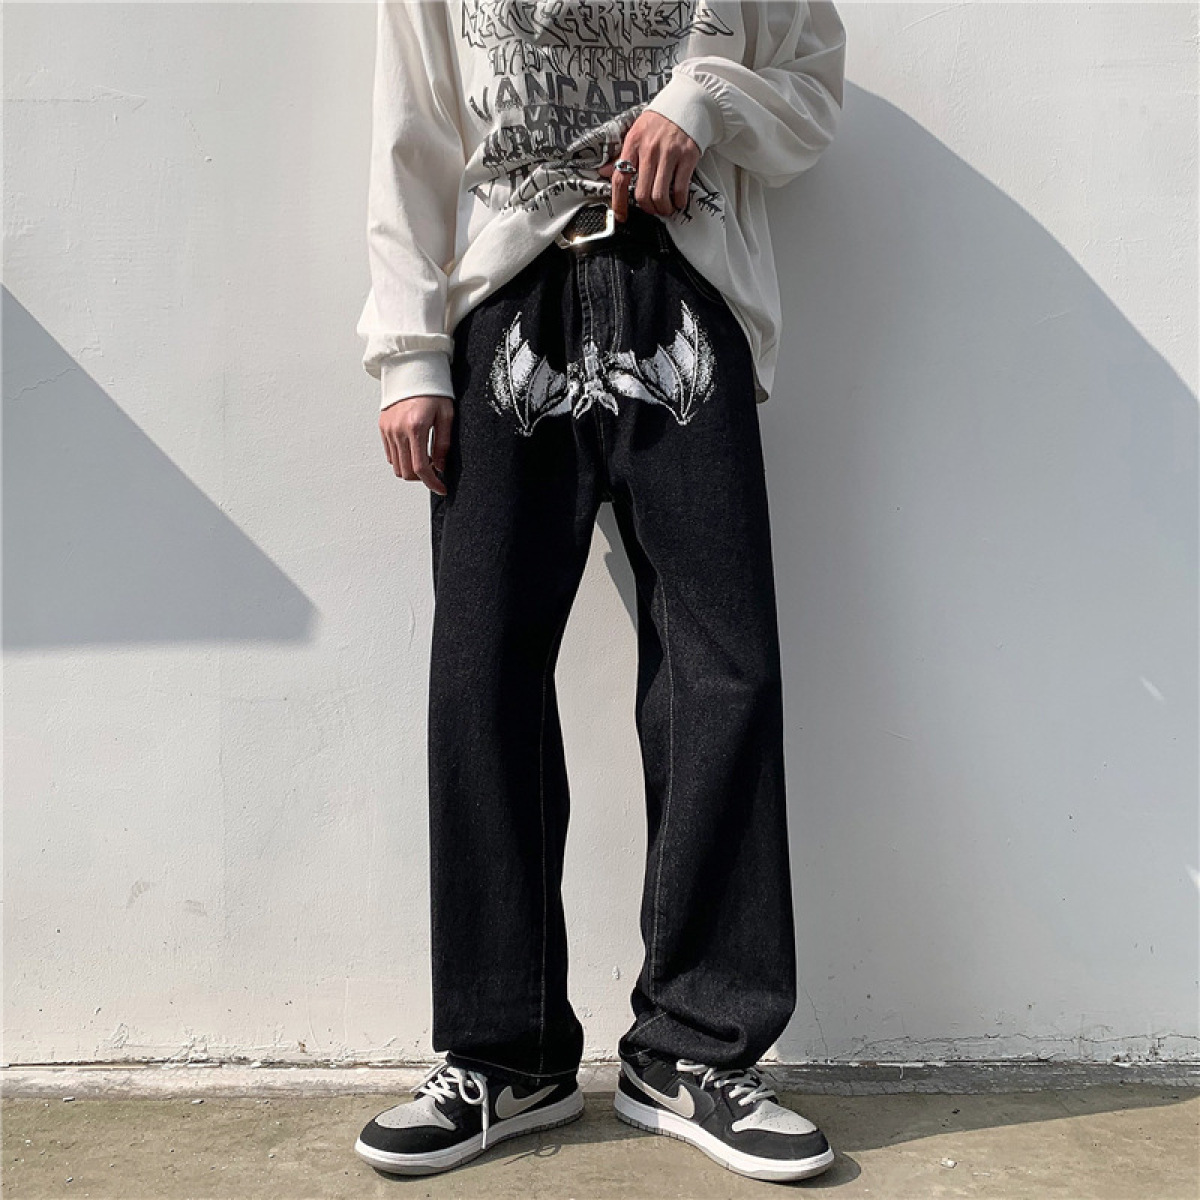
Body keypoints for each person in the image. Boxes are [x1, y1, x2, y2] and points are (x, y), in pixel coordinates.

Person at [352, 0, 846, 1183]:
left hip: (684, 292)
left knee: (723, 673)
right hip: (508, 304)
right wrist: (409, 354)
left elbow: (813, 100)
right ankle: (505, 1052)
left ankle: (694, 1049)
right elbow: (412, 134)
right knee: (483, 673)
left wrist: (702, 101)